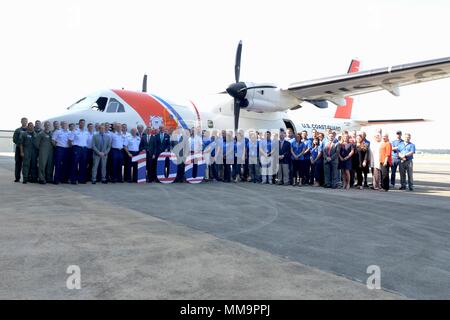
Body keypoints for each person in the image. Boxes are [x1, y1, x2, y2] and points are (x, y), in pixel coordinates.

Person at [68, 119, 89, 184]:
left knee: (83, 165)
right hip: (77, 148)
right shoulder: (75, 131)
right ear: (79, 123)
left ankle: (81, 179)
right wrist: (74, 148)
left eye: (83, 123)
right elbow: (70, 141)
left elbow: (86, 141)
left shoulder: (86, 132)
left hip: (84, 149)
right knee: (74, 164)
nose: (82, 124)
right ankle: (73, 179)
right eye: (81, 123)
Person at [13, 117, 28, 182]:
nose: (24, 122)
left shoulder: (29, 129)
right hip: (19, 149)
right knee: (18, 163)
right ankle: (17, 177)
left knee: (26, 164)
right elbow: (14, 139)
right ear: (21, 122)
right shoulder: (17, 130)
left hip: (27, 149)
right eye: (23, 121)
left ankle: (26, 178)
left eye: (26, 121)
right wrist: (20, 144)